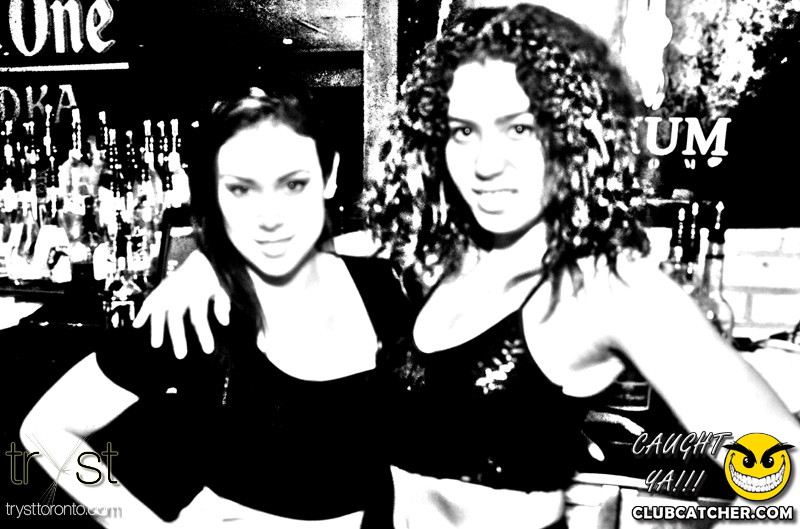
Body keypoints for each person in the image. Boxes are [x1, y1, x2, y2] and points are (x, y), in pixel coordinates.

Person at [135, 4, 800, 528]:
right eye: (462, 130)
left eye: (519, 128)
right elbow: (302, 247)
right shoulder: (436, 261)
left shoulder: (601, 286)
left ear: (567, 133)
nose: (486, 162)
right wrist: (209, 264)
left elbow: (785, 473)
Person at [20, 78, 409, 528]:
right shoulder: (196, 310)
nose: (269, 216)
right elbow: (46, 429)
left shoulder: (390, 289)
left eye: (293, 184)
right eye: (241, 189)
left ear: (330, 175)